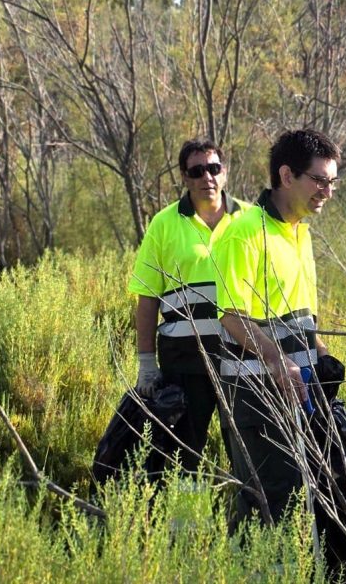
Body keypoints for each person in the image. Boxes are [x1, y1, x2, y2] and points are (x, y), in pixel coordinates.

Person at [213, 128, 340, 526]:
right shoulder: (243, 232)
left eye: (332, 182)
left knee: (304, 502)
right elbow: (231, 316)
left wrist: (322, 355)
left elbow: (303, 317)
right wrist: (277, 360)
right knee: (266, 506)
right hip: (256, 395)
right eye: (319, 180)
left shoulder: (300, 231)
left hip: (299, 391)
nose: (327, 192)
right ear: (287, 176)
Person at [122, 139, 249, 477]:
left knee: (248, 448)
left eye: (214, 168)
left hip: (242, 357)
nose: (207, 177)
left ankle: (249, 507)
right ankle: (184, 510)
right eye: (197, 171)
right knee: (183, 454)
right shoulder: (164, 223)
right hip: (184, 360)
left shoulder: (251, 219)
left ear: (225, 172)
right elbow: (147, 297)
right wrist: (146, 363)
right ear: (184, 177)